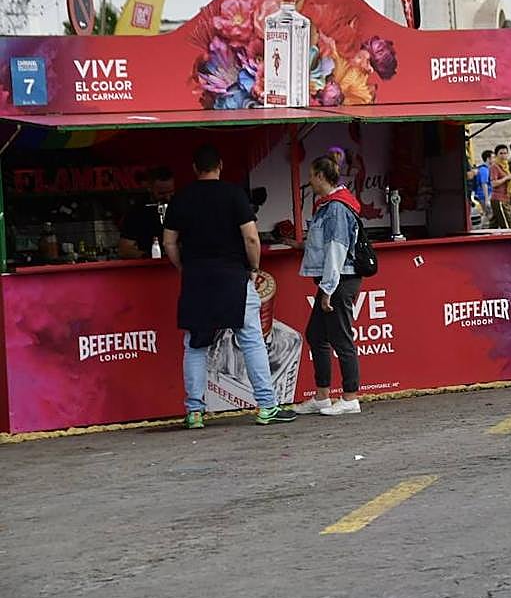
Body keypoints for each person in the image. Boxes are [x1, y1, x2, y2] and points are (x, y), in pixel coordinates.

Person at [162, 145, 295, 428]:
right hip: (233, 277)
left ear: (195, 169)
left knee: (195, 345)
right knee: (251, 340)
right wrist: (255, 268)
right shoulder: (235, 194)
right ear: (220, 165)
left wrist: (183, 268)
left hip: (196, 279)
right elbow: (251, 239)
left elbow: (169, 242)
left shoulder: (181, 198)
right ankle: (266, 407)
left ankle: (195, 413)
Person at [292, 155, 365, 415]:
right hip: (336, 278)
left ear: (321, 176)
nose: (309, 180)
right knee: (316, 335)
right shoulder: (331, 204)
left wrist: (328, 289)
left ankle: (350, 397)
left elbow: (337, 249)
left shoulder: (335, 207)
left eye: (311, 175)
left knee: (341, 338)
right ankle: (323, 395)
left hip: (340, 279)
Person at [118, 166, 175, 259]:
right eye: (162, 193)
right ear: (150, 188)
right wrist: (149, 255)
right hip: (148, 268)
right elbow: (124, 250)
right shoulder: (137, 212)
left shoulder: (181, 206)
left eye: (171, 192)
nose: (168, 198)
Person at [488, 144, 511, 229]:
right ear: (496, 155)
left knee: (494, 224)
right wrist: (506, 178)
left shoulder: (506, 166)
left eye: (505, 153)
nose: (503, 156)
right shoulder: (495, 167)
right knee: (507, 224)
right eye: (501, 153)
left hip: (506, 198)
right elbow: (493, 183)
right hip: (498, 198)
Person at [473, 150, 493, 227]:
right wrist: (487, 199)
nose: (494, 159)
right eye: (493, 157)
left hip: (483, 195)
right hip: (483, 196)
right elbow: (484, 184)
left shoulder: (483, 169)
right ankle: (481, 227)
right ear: (488, 159)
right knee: (489, 214)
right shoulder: (484, 170)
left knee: (487, 214)